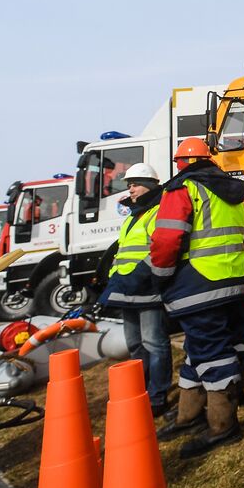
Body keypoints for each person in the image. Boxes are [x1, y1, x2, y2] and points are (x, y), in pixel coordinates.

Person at [152, 137, 244, 459]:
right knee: (213, 346)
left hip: (198, 286)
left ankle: (222, 425)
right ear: (211, 160)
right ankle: (190, 415)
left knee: (210, 351)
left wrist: (160, 276)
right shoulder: (236, 193)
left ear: (180, 164)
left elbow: (166, 239)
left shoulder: (182, 190)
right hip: (234, 283)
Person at [96, 162, 171, 416]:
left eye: (135, 184)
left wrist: (138, 277)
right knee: (136, 345)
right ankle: (143, 392)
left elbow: (159, 250)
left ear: (150, 185)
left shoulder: (158, 211)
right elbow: (122, 253)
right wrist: (114, 281)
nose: (131, 190)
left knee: (154, 344)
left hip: (147, 290)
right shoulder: (133, 216)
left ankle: (158, 396)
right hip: (126, 290)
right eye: (129, 185)